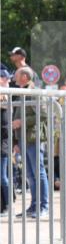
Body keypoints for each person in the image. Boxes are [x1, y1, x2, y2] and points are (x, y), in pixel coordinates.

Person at [10, 67, 48, 217]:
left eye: (16, 74)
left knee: (38, 173)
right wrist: (15, 141)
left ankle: (43, 207)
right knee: (30, 175)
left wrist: (22, 122)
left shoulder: (34, 91)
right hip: (23, 139)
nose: (13, 77)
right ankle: (34, 206)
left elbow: (44, 115)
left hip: (34, 138)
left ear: (25, 76)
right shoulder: (22, 92)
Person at [0, 67, 11, 215]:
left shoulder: (5, 94)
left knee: (3, 177)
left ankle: (9, 205)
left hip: (3, 142)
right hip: (3, 140)